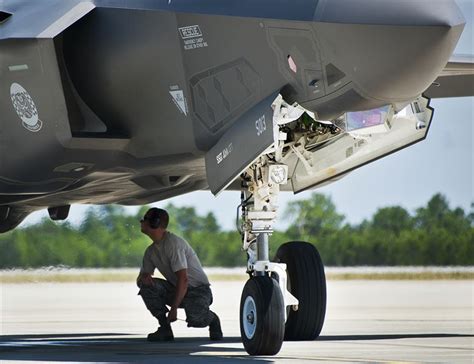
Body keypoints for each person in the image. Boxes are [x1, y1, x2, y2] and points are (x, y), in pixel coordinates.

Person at [136, 207, 223, 342]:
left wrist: (174, 309)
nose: (141, 221)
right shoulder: (150, 252)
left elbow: (184, 278)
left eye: (145, 219)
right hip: (177, 289)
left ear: (155, 222)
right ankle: (164, 328)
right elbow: (140, 279)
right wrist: (143, 280)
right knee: (147, 287)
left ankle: (213, 320)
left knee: (197, 319)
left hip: (198, 290)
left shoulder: (173, 244)